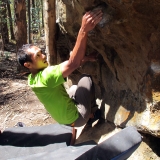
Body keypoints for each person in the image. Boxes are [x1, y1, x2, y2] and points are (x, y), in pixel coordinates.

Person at [17, 10, 103, 127]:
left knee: (73, 88)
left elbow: (67, 65)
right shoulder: (46, 76)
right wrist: (84, 29)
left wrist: (86, 58)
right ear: (28, 65)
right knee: (85, 78)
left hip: (64, 120)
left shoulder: (33, 79)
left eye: (41, 52)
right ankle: (92, 114)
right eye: (38, 55)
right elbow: (73, 64)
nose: (43, 56)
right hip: (77, 118)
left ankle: (82, 115)